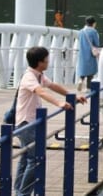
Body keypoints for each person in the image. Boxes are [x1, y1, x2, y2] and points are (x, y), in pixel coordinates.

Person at [14, 46, 87, 195]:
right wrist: (59, 103)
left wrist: (71, 95)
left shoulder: (39, 75)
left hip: (29, 122)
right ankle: (23, 193)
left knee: (26, 158)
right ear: (40, 62)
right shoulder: (29, 77)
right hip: (26, 123)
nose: (49, 61)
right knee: (35, 159)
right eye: (47, 59)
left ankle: (18, 191)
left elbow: (52, 85)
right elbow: (41, 91)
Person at [77, 16, 99, 92]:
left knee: (83, 68)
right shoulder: (93, 31)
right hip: (90, 52)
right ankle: (88, 88)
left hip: (82, 52)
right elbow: (96, 43)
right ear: (93, 23)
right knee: (91, 71)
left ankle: (80, 80)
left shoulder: (81, 31)